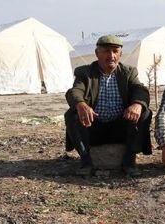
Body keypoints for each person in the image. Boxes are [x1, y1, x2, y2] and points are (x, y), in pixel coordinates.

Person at [64, 35, 152, 177]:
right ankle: (86, 161)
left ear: (120, 54)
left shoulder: (128, 72)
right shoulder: (85, 72)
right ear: (97, 53)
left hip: (120, 128)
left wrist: (137, 104)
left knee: (144, 112)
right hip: (93, 127)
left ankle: (129, 161)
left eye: (115, 51)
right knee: (72, 114)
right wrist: (81, 104)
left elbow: (140, 89)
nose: (111, 56)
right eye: (106, 51)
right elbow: (75, 91)